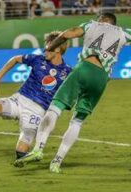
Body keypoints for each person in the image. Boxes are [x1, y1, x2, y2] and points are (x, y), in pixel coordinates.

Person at [14, 13, 131, 173]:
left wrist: (51, 46)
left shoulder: (92, 25)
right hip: (101, 78)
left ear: (102, 19)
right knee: (77, 121)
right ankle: (56, 162)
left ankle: (38, 149)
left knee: (54, 108)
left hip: (84, 69)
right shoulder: (124, 33)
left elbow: (67, 34)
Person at [0, 31, 71, 160]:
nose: (45, 50)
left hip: (38, 110)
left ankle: (25, 158)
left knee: (20, 152)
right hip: (20, 99)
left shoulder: (67, 72)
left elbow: (71, 93)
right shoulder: (37, 59)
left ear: (58, 49)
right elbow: (15, 59)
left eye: (48, 47)